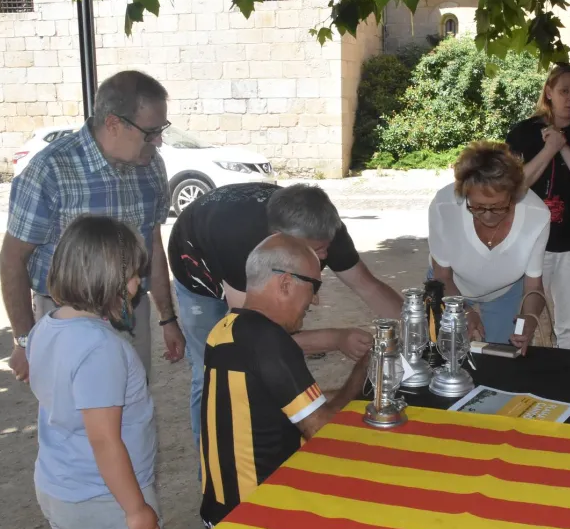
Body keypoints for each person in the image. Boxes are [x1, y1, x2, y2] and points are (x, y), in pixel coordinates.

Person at [1, 70, 182, 529]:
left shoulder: (149, 166)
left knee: (130, 415)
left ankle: (138, 518)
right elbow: (13, 259)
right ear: (114, 123)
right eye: (151, 131)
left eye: (161, 130)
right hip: (66, 318)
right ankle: (95, 519)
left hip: (129, 310)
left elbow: (152, 243)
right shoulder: (50, 170)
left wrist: (166, 317)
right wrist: (24, 340)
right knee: (83, 426)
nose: (158, 142)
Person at [167, 182, 402, 454]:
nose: (324, 256)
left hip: (236, 228)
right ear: (280, 241)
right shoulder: (242, 244)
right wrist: (336, 339)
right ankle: (211, 461)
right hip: (197, 257)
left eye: (325, 248)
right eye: (316, 250)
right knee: (211, 367)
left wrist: (419, 327)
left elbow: (368, 286)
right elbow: (250, 341)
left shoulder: (324, 229)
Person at [28, 215, 162, 529]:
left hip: (61, 488)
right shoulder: (101, 348)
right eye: (134, 274)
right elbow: (105, 440)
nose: (138, 283)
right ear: (109, 278)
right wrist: (135, 508)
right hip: (106, 500)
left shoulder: (46, 326)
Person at [199, 233, 371, 527]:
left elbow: (276, 405)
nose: (315, 300)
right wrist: (364, 372)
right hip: (258, 516)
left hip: (219, 513)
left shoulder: (224, 330)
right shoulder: (269, 339)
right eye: (314, 286)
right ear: (286, 283)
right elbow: (321, 430)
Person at [506, 63, 570, 350]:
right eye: (564, 91)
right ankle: (518, 360)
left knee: (569, 324)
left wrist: (562, 146)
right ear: (549, 92)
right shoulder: (523, 132)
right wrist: (548, 149)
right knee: (523, 316)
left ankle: (567, 370)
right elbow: (514, 187)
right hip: (530, 240)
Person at [427, 141, 550, 351]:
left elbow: (533, 286)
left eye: (498, 207)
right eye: (477, 206)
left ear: (514, 194)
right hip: (449, 287)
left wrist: (529, 318)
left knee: (500, 355)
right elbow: (442, 276)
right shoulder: (444, 205)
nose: (488, 215)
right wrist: (464, 311)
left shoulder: (537, 216)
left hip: (504, 292)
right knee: (444, 353)